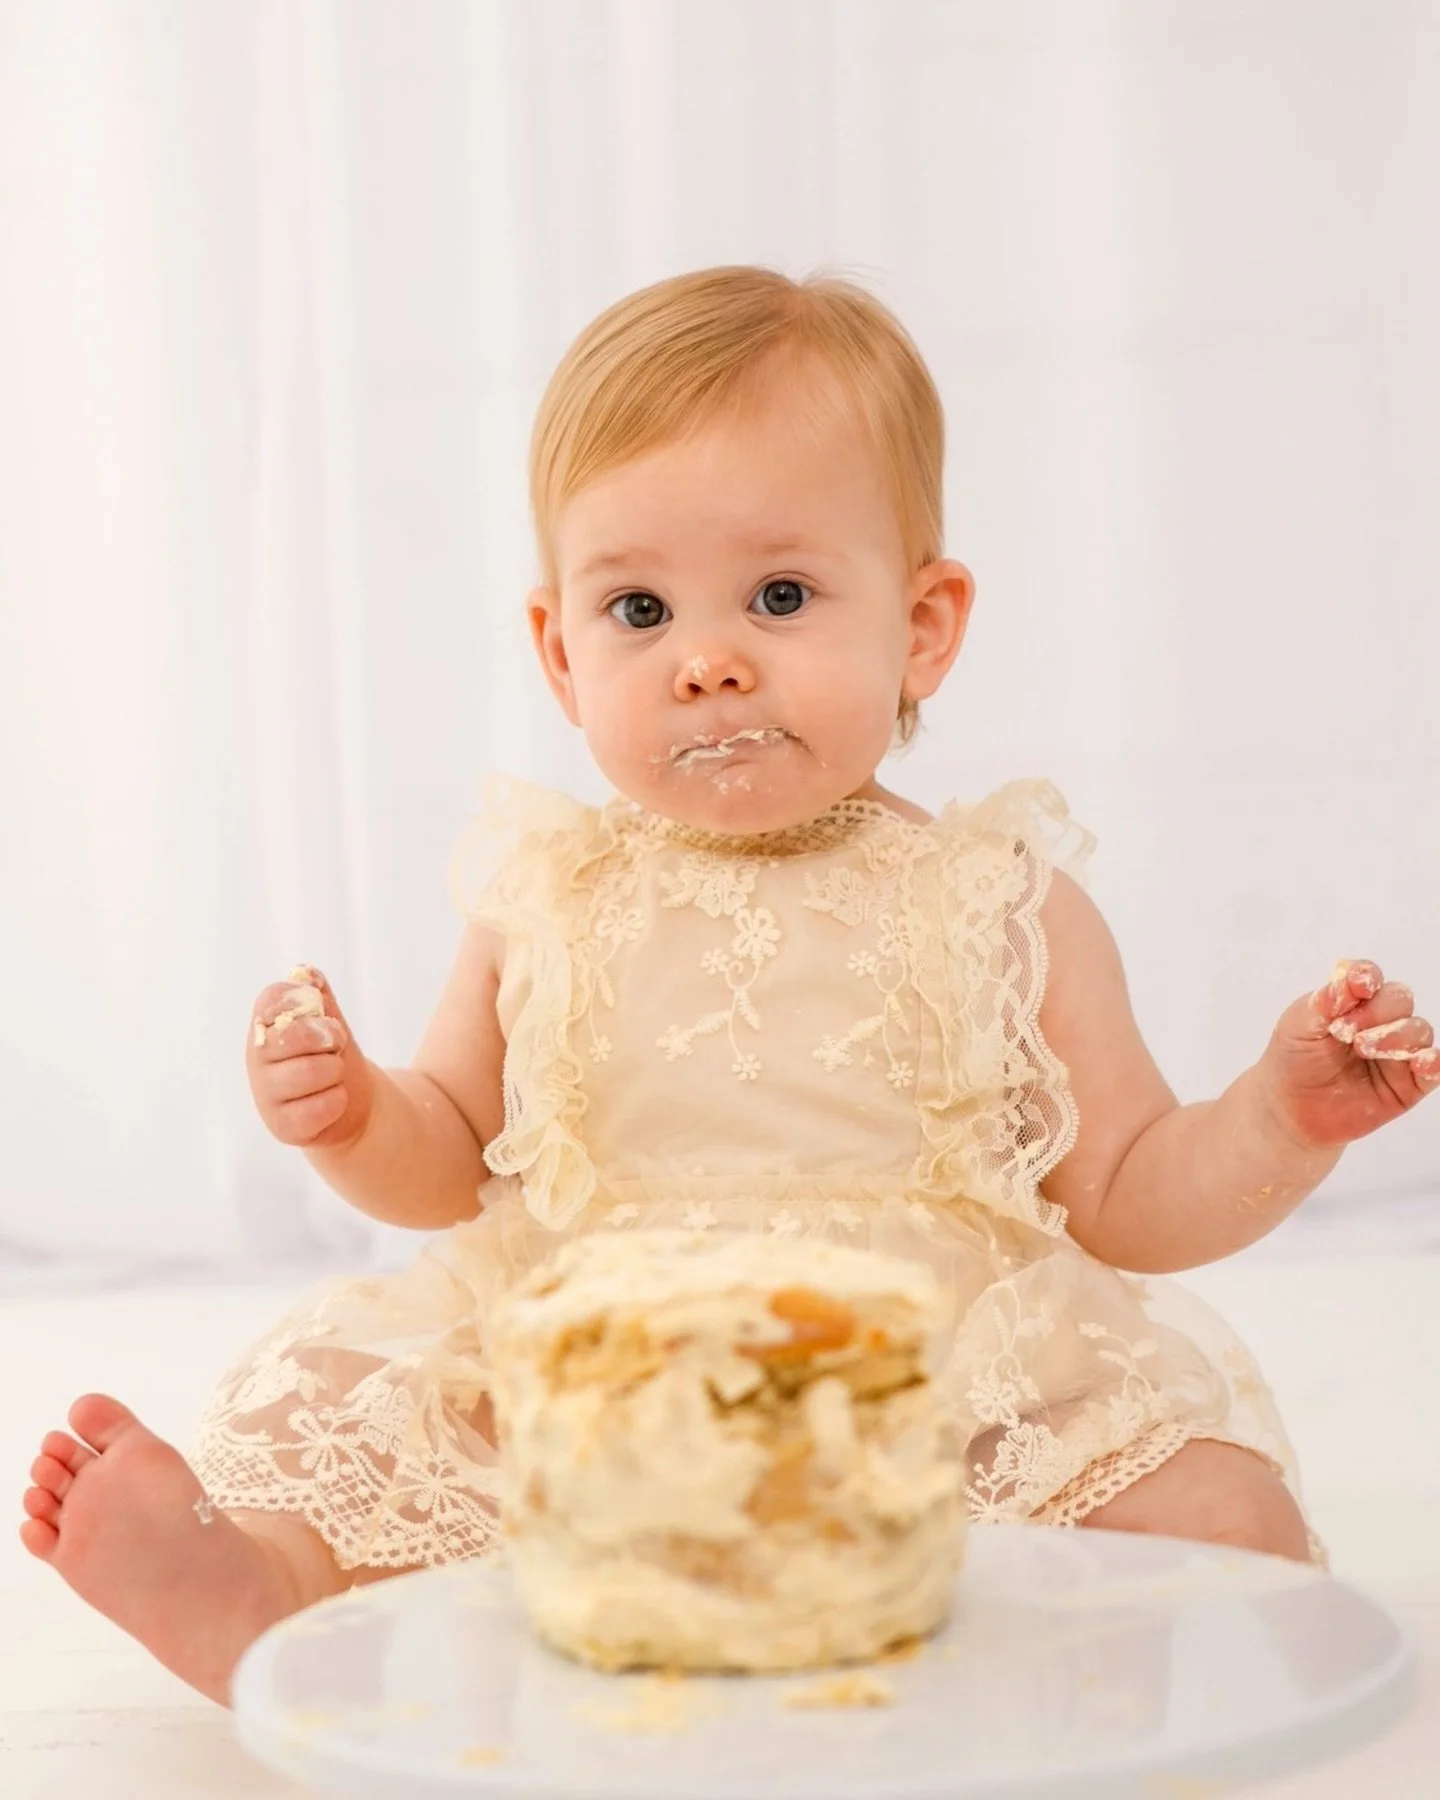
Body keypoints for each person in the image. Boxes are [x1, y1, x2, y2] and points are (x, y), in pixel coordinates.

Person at [21, 267, 1438, 1706]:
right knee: (377, 1428)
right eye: (638, 609)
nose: (706, 663)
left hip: (919, 1386)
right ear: (561, 655)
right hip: (597, 1380)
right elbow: (448, 1155)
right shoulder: (546, 894)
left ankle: (989, 1663)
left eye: (778, 596)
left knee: (1221, 1514)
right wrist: (350, 1115)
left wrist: (1277, 1119)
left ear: (925, 625)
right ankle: (267, 1589)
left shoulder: (1000, 899)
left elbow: (1132, 1191)